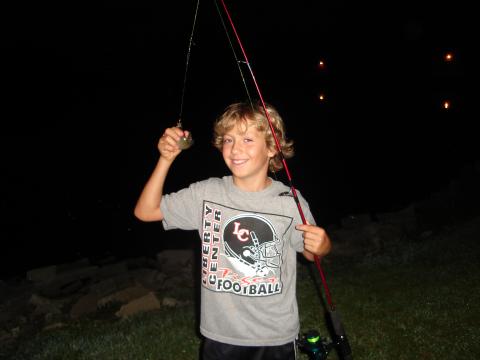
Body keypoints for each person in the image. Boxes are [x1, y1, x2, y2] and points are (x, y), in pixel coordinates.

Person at [134, 101, 331, 360]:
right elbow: (145, 211)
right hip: (221, 336)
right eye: (228, 140)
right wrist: (166, 159)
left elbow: (310, 252)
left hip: (275, 334)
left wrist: (323, 244)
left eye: (248, 139)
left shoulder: (289, 200)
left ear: (272, 148)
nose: (236, 149)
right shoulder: (207, 193)